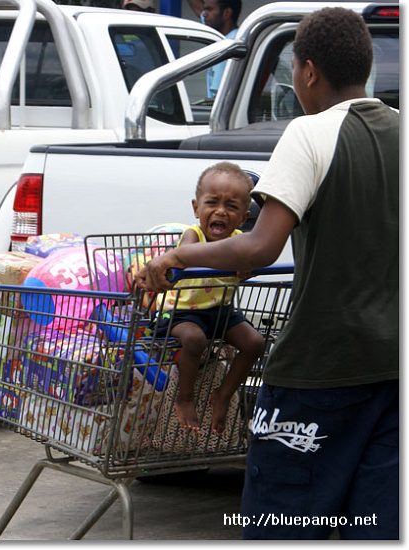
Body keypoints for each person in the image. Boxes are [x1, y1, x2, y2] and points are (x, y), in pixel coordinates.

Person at [136, 7, 398, 540]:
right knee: (377, 526)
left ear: (306, 72)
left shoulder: (308, 134)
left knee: (282, 525)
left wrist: (176, 257)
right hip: (395, 369)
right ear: (365, 69)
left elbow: (259, 247)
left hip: (317, 370)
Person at [152, 162, 264, 434]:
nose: (221, 212)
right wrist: (233, 260)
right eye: (212, 203)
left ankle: (223, 395)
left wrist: (247, 267)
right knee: (194, 339)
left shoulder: (241, 240)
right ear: (196, 208)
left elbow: (254, 260)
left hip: (219, 310)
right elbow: (190, 256)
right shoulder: (194, 234)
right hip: (180, 312)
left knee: (255, 343)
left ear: (243, 217)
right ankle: (185, 397)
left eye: (232, 207)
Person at [188, 0, 242, 97]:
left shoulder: (226, 48)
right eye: (204, 9)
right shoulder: (239, 37)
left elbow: (219, 97)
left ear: (226, 13)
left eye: (209, 9)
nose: (204, 15)